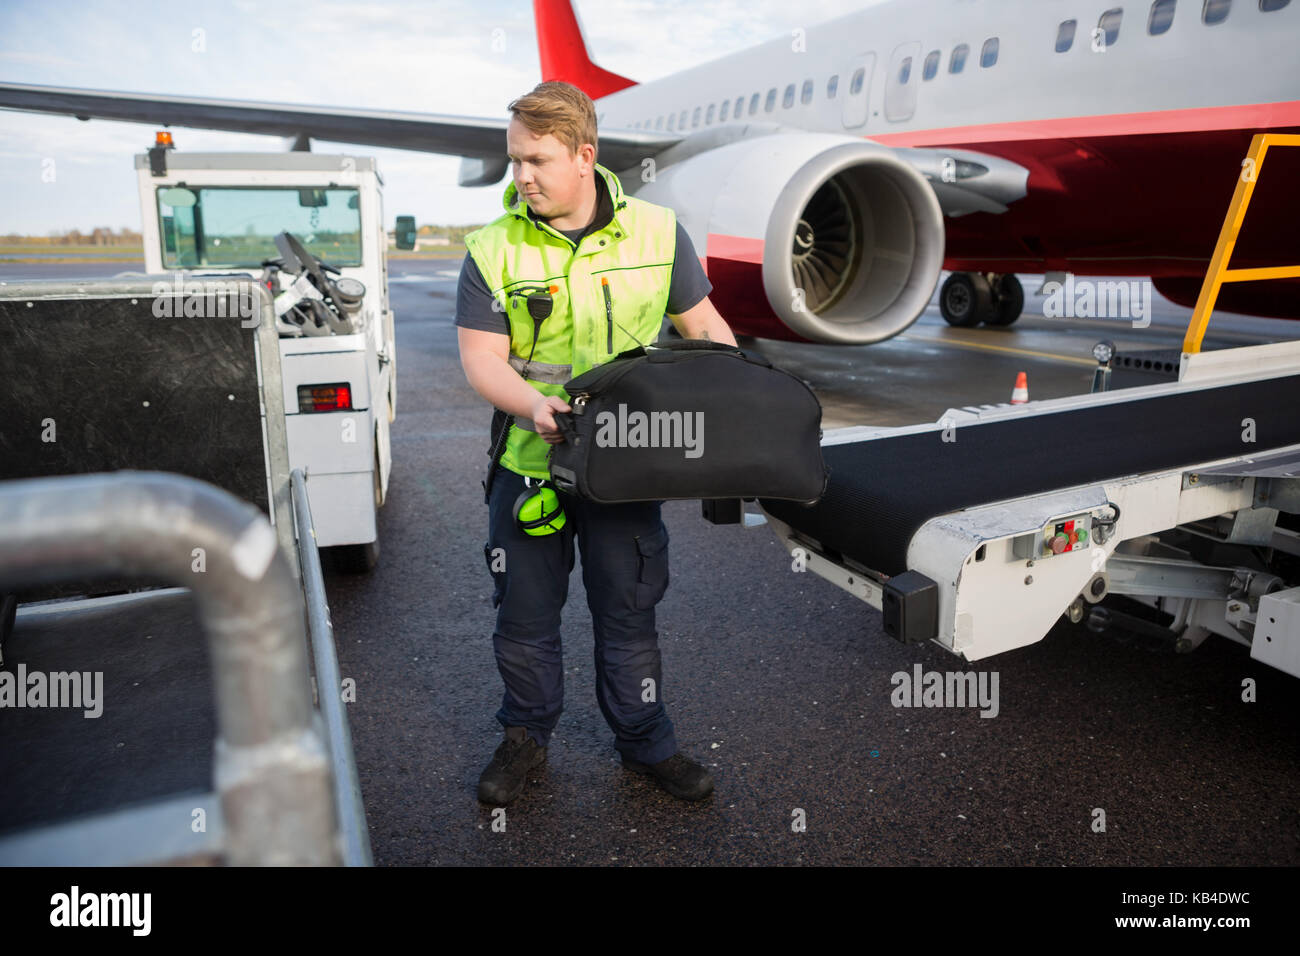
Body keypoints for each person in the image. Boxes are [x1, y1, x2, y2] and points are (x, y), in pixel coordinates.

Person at [455, 81, 738, 806]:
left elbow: (705, 329)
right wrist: (531, 404)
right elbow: (482, 358)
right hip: (529, 465)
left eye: (537, 161)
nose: (519, 176)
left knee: (628, 617)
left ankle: (647, 744)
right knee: (524, 621)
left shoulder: (656, 232)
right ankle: (524, 741)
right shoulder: (494, 246)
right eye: (514, 158)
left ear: (585, 156)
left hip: (623, 468)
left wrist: (738, 408)